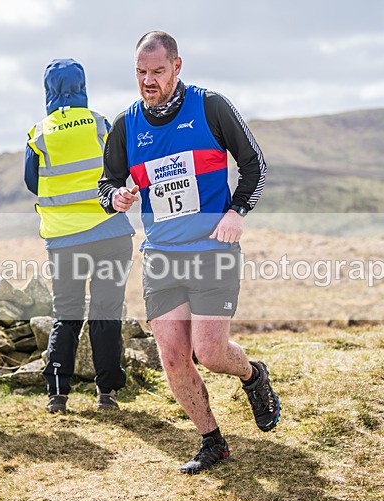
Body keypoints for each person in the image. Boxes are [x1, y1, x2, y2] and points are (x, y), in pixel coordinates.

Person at [99, 31, 280, 474]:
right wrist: (116, 197)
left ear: (177, 67)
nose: (148, 81)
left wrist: (237, 211)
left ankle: (253, 376)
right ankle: (212, 441)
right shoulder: (126, 125)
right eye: (140, 72)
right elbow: (106, 185)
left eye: (157, 71)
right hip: (161, 255)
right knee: (174, 358)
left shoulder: (210, 106)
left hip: (213, 249)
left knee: (211, 352)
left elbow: (254, 162)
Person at [25, 59, 135, 413]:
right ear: (83, 86)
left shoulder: (39, 134)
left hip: (64, 240)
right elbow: (123, 168)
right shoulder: (101, 124)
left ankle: (58, 394)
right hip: (111, 233)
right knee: (107, 311)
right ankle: (107, 394)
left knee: (67, 314)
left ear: (48, 91)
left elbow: (32, 183)